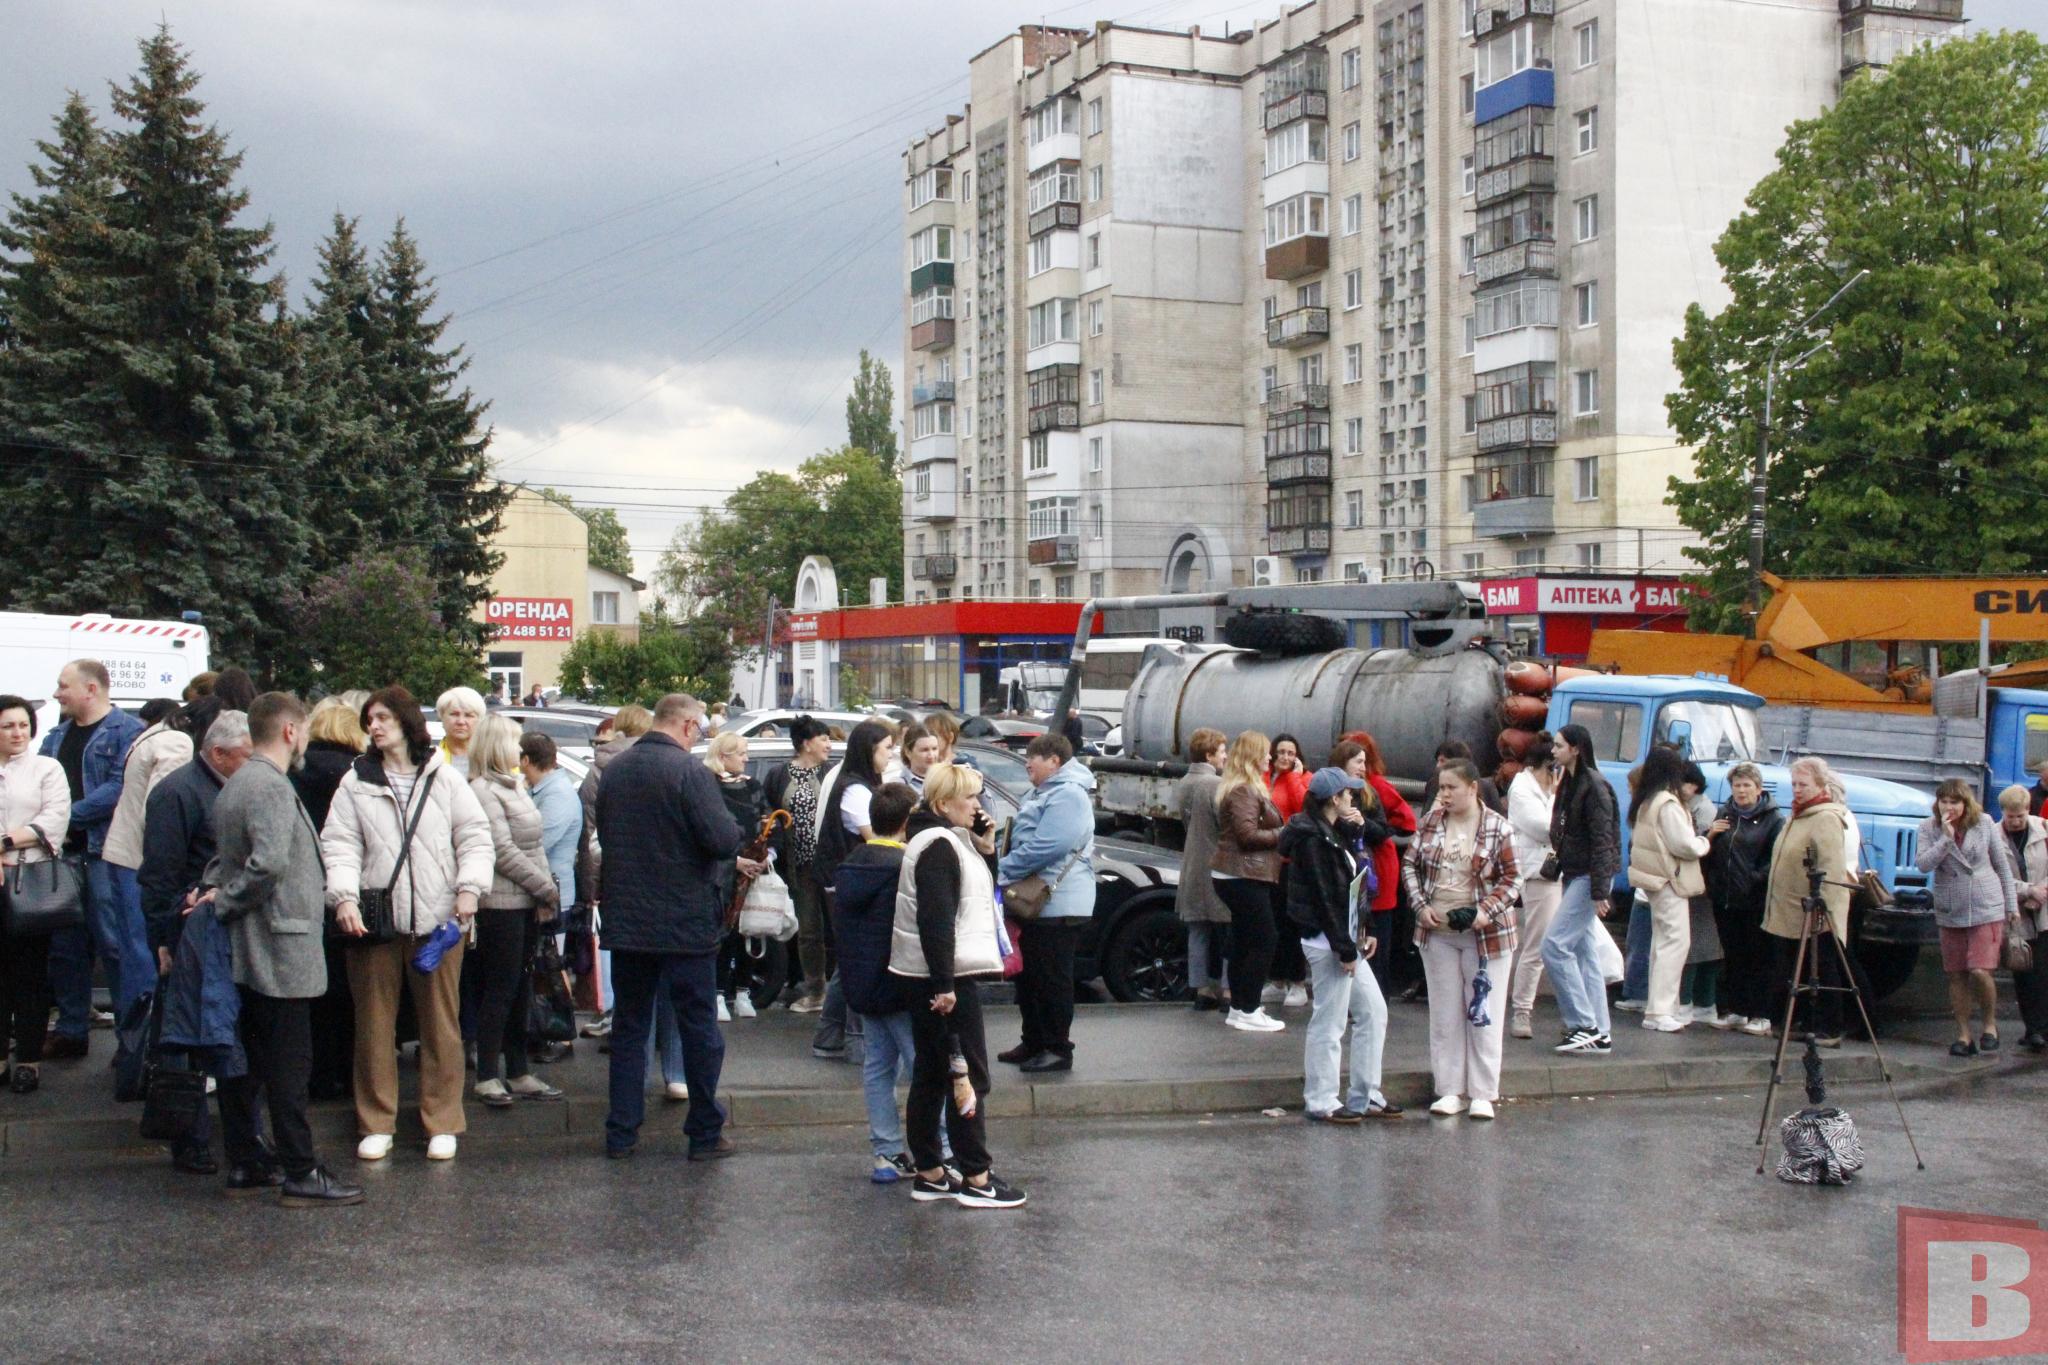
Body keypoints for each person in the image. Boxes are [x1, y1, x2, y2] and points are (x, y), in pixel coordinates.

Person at [323, 685, 495, 1163]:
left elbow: (475, 836)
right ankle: (376, 1121)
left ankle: (442, 1121)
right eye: (369, 721)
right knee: (374, 1025)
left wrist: (469, 888)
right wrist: (344, 898)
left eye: (382, 718)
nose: (374, 727)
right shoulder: (355, 781)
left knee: (442, 1025)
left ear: (404, 722)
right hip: (375, 922)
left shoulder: (443, 778)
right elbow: (339, 844)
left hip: (439, 920)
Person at [207, 692, 363, 1207]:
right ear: (292, 731)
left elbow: (232, 859)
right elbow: (268, 865)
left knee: (248, 1062)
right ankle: (300, 1170)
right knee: (289, 1067)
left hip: (259, 945)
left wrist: (216, 894)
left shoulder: (239, 782)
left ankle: (248, 1160)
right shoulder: (269, 785)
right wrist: (225, 902)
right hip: (279, 944)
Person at [595, 693, 757, 1161]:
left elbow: (607, 835)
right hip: (685, 921)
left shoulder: (617, 770)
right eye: (701, 727)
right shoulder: (690, 773)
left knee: (629, 1027)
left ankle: (621, 1133)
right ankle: (705, 1131)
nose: (701, 735)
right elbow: (724, 839)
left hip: (628, 920)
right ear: (686, 725)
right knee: (698, 1027)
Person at [887, 763, 1025, 1208]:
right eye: (970, 798)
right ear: (945, 804)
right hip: (944, 977)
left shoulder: (940, 840)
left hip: (927, 975)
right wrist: (945, 983)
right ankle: (977, 1176)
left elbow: (968, 897)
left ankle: (929, 1170)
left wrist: (986, 848)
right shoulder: (941, 846)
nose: (979, 805)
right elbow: (937, 919)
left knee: (931, 1072)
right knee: (967, 1073)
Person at [139, 710, 254, 1175]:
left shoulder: (230, 785)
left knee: (222, 1035)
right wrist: (164, 940)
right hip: (187, 932)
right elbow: (159, 875)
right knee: (185, 1040)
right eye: (247, 755)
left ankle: (230, 1137)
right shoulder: (179, 792)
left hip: (221, 927)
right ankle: (188, 1137)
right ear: (219, 754)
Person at [38, 659, 149, 1062]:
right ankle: (70, 1031)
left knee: (116, 946)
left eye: (62, 685)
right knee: (65, 948)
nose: (55, 693)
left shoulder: (128, 733)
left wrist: (62, 818)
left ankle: (130, 1040)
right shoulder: (55, 736)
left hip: (106, 854)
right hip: (63, 856)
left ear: (91, 689)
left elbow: (121, 788)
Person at [831, 781, 940, 1181]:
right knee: (924, 1067)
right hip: (900, 982)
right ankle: (940, 1149)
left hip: (862, 982)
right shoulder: (904, 868)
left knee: (878, 1067)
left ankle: (887, 1152)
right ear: (908, 822)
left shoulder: (852, 863)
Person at [1406, 759, 1521, 1119]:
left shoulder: (1498, 828)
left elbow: (1514, 878)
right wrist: (1421, 906)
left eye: (1451, 787)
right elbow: (1410, 864)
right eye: (1441, 787)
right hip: (1437, 934)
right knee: (1444, 1014)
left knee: (1482, 1012)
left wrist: (1484, 911)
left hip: (1485, 938)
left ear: (1472, 788)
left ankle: (1483, 1092)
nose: (1444, 794)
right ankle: (1449, 1089)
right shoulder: (1429, 824)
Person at [1284, 766, 1400, 1122]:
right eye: (1348, 793)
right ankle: (1321, 1098)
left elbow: (1356, 887)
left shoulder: (1334, 832)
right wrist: (1345, 948)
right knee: (1330, 1022)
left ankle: (1365, 1093)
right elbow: (1324, 898)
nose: (1353, 797)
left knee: (1373, 1012)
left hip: (1344, 937)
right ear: (1335, 799)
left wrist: (1365, 930)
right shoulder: (1313, 840)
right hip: (1329, 941)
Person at [466, 713, 564, 1110]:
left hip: (525, 902)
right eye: (513, 741)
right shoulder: (483, 790)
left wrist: (543, 892)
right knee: (500, 989)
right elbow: (501, 850)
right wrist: (543, 886)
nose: (520, 749)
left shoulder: (516, 786)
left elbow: (534, 844)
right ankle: (488, 1073)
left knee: (522, 986)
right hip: (500, 905)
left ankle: (519, 1069)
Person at [996, 733, 1096, 1072]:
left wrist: (1002, 869)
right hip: (1037, 901)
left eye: (1034, 757)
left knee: (1052, 978)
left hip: (1058, 903)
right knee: (1030, 977)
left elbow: (1048, 847)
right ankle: (1033, 1041)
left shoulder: (1068, 796)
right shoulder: (1044, 792)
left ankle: (1057, 1048)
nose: (1027, 762)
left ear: (1055, 761)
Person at [292, 694, 368, 1100]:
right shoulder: (356, 775)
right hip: (350, 890)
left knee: (314, 995)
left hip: (305, 891)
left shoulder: (294, 774)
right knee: (351, 992)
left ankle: (318, 1074)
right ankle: (347, 1073)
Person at [810, 720, 898, 1061]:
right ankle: (855, 1039)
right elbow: (877, 837)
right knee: (858, 959)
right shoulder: (855, 789)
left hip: (848, 881)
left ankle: (828, 1035)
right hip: (847, 884)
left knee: (847, 963)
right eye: (886, 748)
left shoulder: (859, 784)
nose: (890, 754)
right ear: (868, 751)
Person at [1914, 775, 2017, 1057]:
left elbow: (2002, 865)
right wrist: (1945, 841)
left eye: (1955, 801)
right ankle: (1963, 1034)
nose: (1949, 807)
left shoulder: (1983, 823)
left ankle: (1990, 1024)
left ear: (1965, 803)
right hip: (1951, 906)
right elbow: (1923, 864)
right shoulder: (1929, 827)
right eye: (1944, 801)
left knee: (1980, 970)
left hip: (1985, 904)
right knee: (1957, 973)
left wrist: (2012, 906)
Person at [1762, 757, 1859, 1048]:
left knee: (1823, 967)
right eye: (1793, 784)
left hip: (1815, 912)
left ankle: (1829, 1027)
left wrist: (1823, 911)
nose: (1797, 789)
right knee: (1796, 968)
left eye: (1803, 784)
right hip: (1790, 909)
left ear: (1819, 785)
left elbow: (1830, 868)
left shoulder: (1826, 817)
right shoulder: (1797, 815)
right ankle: (1803, 1021)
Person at [0, 696, 70, 1095]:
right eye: (8, 725)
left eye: (23, 725)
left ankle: (28, 1057)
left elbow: (53, 821)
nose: (17, 733)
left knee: (29, 974)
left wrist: (3, 842)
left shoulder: (47, 768)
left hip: (31, 880)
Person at [1539, 723, 1620, 1055]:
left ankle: (1582, 1024)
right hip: (1578, 874)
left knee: (1554, 946)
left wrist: (1600, 890)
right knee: (1585, 954)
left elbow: (1604, 840)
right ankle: (1599, 1031)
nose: (1553, 751)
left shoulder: (1592, 786)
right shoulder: (1571, 783)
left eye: (1559, 746)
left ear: (1575, 749)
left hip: (1587, 876)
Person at [576, 704, 653, 1034]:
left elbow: (590, 835)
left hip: (612, 875)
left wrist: (591, 889)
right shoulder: (655, 763)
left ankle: (614, 1015)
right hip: (650, 875)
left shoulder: (597, 770)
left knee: (616, 955)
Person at [1628, 746, 1711, 1033]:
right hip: (1670, 880)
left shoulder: (1647, 800)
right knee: (1675, 944)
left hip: (1653, 880)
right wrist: (1704, 842)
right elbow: (1684, 845)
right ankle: (1661, 1010)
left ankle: (1659, 1007)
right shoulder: (1669, 804)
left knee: (1660, 943)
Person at [1213, 731, 1286, 1033]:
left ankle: (1240, 1007)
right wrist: (1283, 834)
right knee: (1264, 939)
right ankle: (1248, 1007)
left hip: (1236, 873)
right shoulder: (1244, 790)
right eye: (1266, 752)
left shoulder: (1242, 787)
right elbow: (1246, 835)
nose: (1270, 757)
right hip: (1242, 873)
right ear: (1253, 756)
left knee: (1245, 940)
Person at [762, 714, 833, 1012]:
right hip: (798, 867)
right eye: (823, 739)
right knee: (809, 931)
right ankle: (816, 989)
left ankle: (841, 993)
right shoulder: (779, 775)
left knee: (838, 928)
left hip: (829, 864)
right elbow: (770, 813)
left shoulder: (831, 773)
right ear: (806, 743)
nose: (829, 744)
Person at [1709, 763, 1785, 1037]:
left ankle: (1760, 1013)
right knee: (1733, 956)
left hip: (1755, 899)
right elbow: (1713, 851)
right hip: (1726, 898)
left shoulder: (1774, 819)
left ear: (1758, 788)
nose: (1741, 791)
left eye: (1746, 785)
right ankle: (1736, 1010)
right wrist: (1711, 834)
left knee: (1759, 957)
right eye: (1736, 786)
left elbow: (1774, 859)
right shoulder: (1725, 813)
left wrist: (1753, 878)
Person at [1339, 731, 1416, 995]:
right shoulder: (1338, 788)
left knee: (1374, 931)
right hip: (1361, 866)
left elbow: (1406, 822)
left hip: (1376, 866)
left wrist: (1366, 827)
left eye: (1361, 759)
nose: (1360, 765)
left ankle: (1376, 994)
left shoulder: (1376, 787)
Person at [705, 730, 766, 1022]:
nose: (746, 758)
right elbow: (708, 830)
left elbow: (769, 820)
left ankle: (743, 990)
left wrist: (768, 855)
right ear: (723, 755)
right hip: (723, 871)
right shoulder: (708, 785)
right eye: (740, 753)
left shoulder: (752, 786)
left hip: (754, 869)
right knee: (724, 930)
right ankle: (717, 993)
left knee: (751, 930)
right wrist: (736, 860)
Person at [100, 698, 195, 881]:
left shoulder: (146, 740)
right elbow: (160, 807)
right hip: (141, 855)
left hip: (121, 849)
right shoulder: (175, 741)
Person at [1503, 733, 1560, 1040]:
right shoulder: (1523, 789)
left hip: (1554, 871)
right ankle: (1521, 1009)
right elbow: (1543, 828)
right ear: (1544, 767)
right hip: (1538, 872)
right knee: (1535, 945)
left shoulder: (1546, 789)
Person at [1175, 728, 1232, 1012]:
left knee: (1197, 930)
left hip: (1192, 861)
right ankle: (1227, 988)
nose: (1226, 756)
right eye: (1222, 751)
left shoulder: (1185, 781)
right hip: (1215, 864)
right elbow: (1228, 826)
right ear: (1209, 755)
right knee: (1227, 927)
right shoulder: (1213, 784)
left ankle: (1200, 989)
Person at [1994, 785, 2048, 1052]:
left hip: (2044, 907)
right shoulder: (1993, 835)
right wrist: (2027, 890)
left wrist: (2041, 891)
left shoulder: (2044, 829)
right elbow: (1995, 875)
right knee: (2025, 970)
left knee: (2044, 970)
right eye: (2010, 816)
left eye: (2020, 816)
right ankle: (2034, 1028)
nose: (2015, 821)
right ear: (2002, 811)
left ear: (2028, 810)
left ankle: (2041, 1027)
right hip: (2016, 912)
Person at [1675, 762, 1728, 1028]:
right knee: (1703, 945)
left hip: (1700, 886)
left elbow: (1704, 847)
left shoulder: (1702, 809)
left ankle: (1691, 1004)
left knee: (1696, 945)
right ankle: (1703, 1004)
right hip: (1700, 885)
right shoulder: (1697, 806)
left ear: (1692, 785)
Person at [1262, 733, 1311, 1008]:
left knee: (1292, 925)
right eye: (1281, 752)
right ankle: (1277, 979)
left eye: (1291, 753)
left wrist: (1293, 777)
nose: (1285, 757)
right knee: (1274, 923)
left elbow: (1303, 808)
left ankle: (1297, 981)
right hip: (1268, 862)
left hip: (1292, 863)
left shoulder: (1304, 778)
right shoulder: (1266, 778)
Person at [1419, 739, 1507, 816]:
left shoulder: (1487, 787)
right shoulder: (1434, 784)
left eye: (1443, 761)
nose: (1438, 766)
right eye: (1437, 761)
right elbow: (1425, 820)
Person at [436, 686, 487, 779]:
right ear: (441, 717)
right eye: (454, 714)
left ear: (479, 720)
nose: (461, 721)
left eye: (468, 715)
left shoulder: (493, 759)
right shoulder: (429, 760)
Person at [899, 722, 939, 797]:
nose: (931, 755)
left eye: (934, 749)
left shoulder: (946, 780)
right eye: (924, 750)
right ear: (908, 752)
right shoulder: (900, 786)